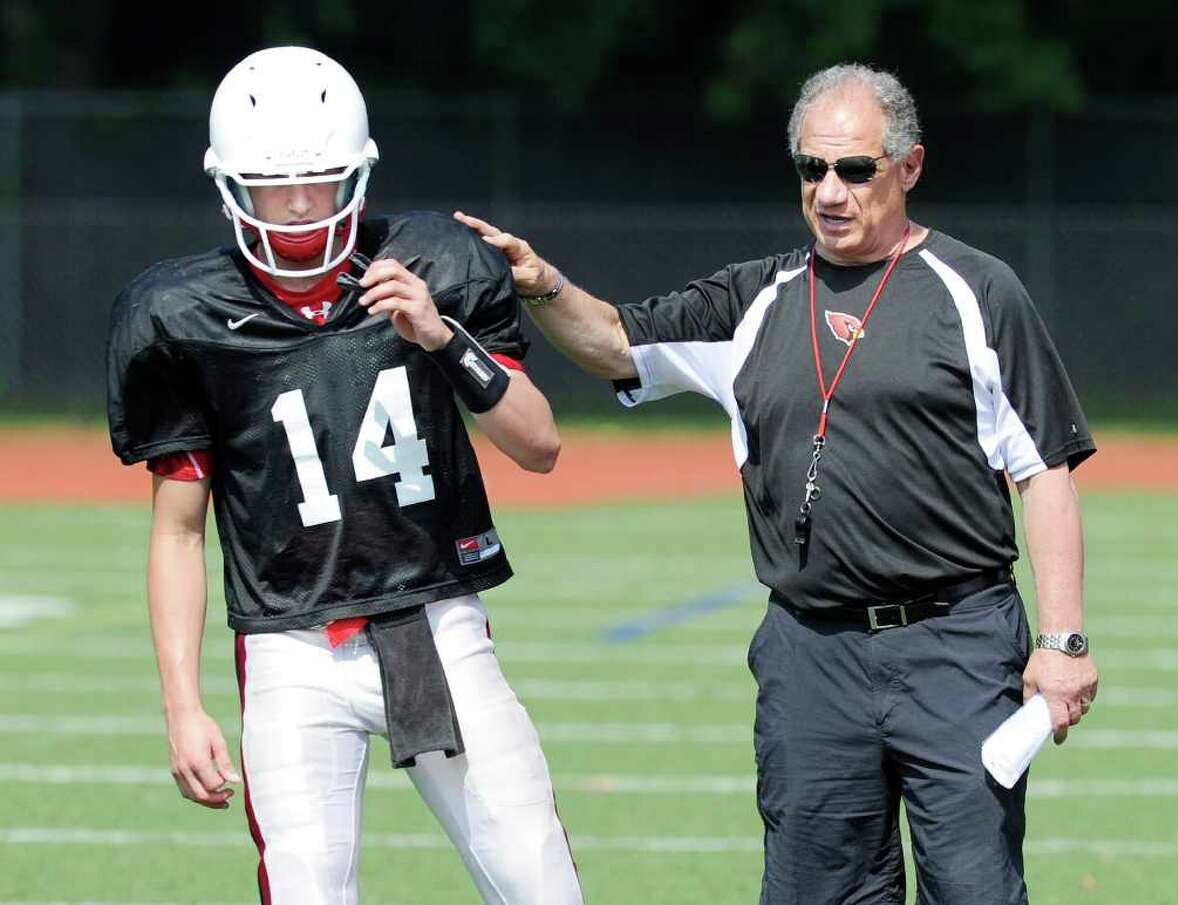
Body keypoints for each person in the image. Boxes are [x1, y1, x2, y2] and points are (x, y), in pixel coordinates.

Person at [457, 62, 1098, 905]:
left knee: (975, 889)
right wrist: (542, 283)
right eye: (813, 168)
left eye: (855, 169)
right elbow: (616, 342)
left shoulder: (978, 291)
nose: (830, 190)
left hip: (957, 646)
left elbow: (1042, 469)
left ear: (908, 168)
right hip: (811, 655)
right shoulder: (755, 297)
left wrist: (1063, 642)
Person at [107, 46, 583, 905]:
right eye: (270, 184)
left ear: (358, 171)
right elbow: (177, 527)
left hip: (434, 620)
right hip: (291, 645)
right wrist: (182, 702)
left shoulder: (434, 262)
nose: (296, 205)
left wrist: (443, 337)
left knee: (540, 881)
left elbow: (540, 443)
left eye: (319, 179)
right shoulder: (182, 315)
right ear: (230, 186)